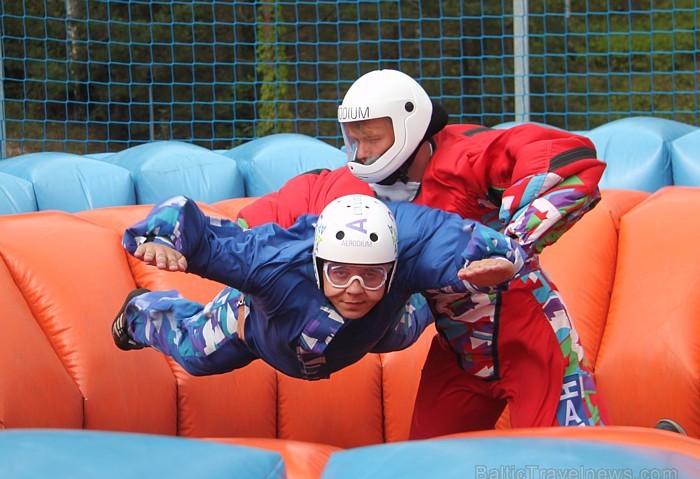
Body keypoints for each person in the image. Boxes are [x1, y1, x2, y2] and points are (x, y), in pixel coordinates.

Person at [235, 69, 611, 435]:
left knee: (572, 461)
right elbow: (261, 221)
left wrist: (515, 242)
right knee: (424, 466)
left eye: (373, 139)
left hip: (533, 339)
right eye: (354, 140)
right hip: (458, 353)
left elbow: (569, 156)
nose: (362, 153)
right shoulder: (348, 191)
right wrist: (240, 292)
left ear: (409, 131)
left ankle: (655, 451)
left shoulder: (463, 159)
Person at [112, 193, 525, 380]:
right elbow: (197, 227)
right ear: (319, 264)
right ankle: (138, 314)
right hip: (260, 331)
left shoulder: (407, 254)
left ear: (391, 265)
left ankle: (427, 291)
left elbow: (460, 239)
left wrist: (500, 261)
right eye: (341, 274)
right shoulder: (272, 262)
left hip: (378, 328)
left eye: (373, 274)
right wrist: (160, 238)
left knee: (426, 307)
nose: (356, 289)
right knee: (196, 357)